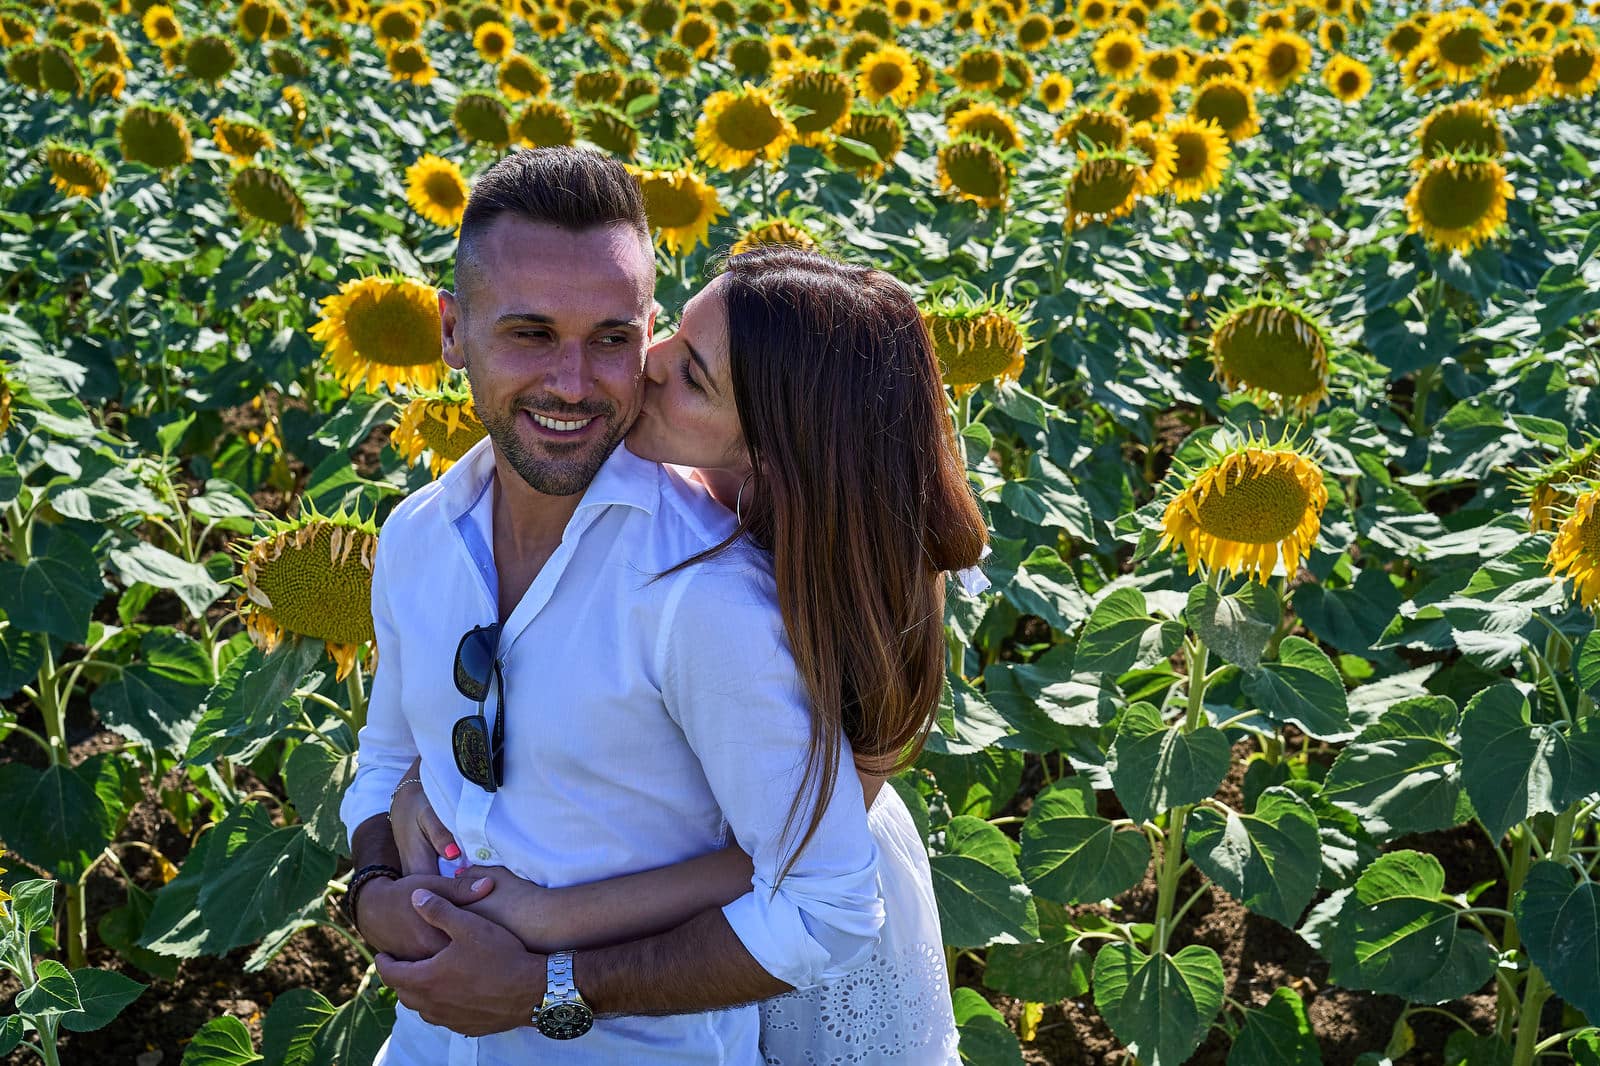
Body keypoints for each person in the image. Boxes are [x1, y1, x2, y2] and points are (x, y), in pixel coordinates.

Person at [338, 147, 889, 1065]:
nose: (571, 382)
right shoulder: (416, 537)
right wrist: (374, 888)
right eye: (529, 333)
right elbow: (388, 757)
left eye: (609, 337)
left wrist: (549, 987)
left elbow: (831, 906)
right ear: (450, 331)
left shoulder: (699, 593)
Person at [387, 244, 990, 1063]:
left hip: (788, 904)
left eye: (694, 376)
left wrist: (554, 924)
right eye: (672, 329)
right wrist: (430, 772)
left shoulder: (868, 581)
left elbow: (788, 864)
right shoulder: (679, 496)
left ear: (779, 445)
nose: (649, 362)